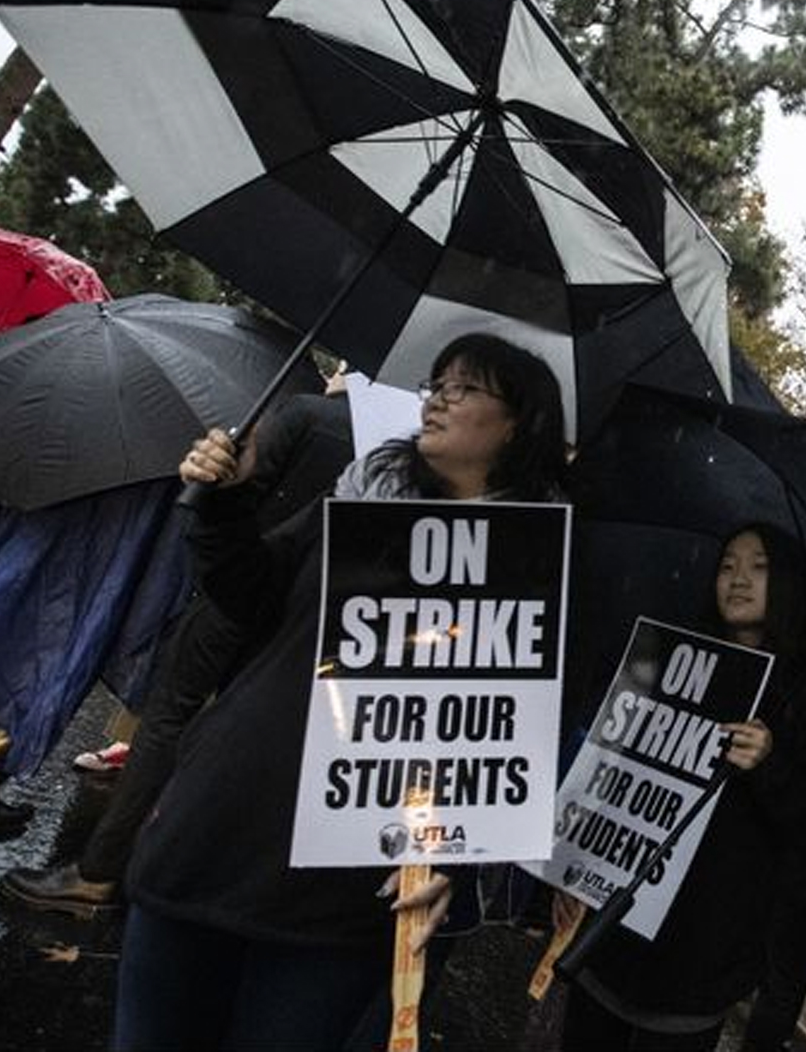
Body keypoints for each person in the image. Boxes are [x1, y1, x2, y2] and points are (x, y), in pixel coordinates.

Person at [113, 334, 567, 1051]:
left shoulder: (533, 572)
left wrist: (453, 854)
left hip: (344, 889)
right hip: (220, 826)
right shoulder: (359, 501)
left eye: (466, 386)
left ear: (518, 425)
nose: (439, 396)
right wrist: (224, 504)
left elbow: (501, 742)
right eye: (436, 381)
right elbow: (252, 595)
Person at [0, 391, 354, 917]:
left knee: (168, 720)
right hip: (306, 626)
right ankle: (186, 873)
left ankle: (99, 873)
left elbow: (238, 503)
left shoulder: (308, 414)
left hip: (238, 594)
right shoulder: (401, 454)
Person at [560, 523, 806, 1052]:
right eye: (728, 565)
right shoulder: (668, 657)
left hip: (702, 955)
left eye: (758, 567)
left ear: (786, 585)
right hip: (615, 934)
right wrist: (574, 872)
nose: (737, 579)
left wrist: (771, 765)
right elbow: (609, 774)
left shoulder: (805, 699)